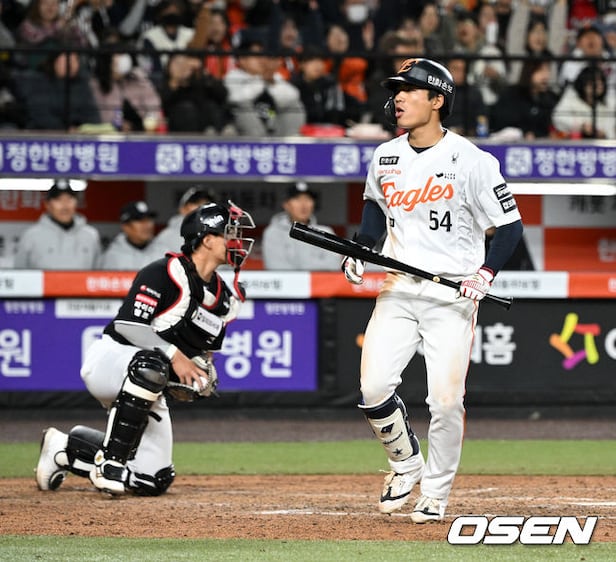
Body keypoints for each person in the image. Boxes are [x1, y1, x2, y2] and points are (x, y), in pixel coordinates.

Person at [341, 58, 523, 523]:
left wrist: (485, 273)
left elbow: (509, 226)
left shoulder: (473, 160)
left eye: (409, 90)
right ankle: (406, 464)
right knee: (373, 388)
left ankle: (436, 493)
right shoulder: (385, 155)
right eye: (396, 90)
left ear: (437, 100)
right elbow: (375, 210)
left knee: (445, 402)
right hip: (400, 286)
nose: (398, 98)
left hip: (452, 295)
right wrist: (361, 250)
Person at [34, 201, 256, 496]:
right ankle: (109, 465)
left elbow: (201, 355)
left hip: (149, 383)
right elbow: (128, 326)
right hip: (111, 361)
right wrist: (175, 357)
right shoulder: (165, 271)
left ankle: (63, 449)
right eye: (229, 233)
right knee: (152, 367)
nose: (237, 241)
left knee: (152, 479)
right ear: (206, 240)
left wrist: (201, 375)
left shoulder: (225, 300)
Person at [13, 180, 102, 269]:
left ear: (76, 203)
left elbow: (99, 272)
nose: (65, 205)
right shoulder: (31, 235)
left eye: (69, 199)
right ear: (47, 204)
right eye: (58, 200)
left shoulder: (91, 235)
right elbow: (19, 272)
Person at [263, 181, 340, 271]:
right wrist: (310, 270)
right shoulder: (273, 233)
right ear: (286, 205)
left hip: (320, 281)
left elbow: (334, 266)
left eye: (307, 199)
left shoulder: (326, 232)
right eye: (297, 199)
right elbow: (275, 266)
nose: (303, 204)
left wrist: (304, 271)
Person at [152, 185, 216, 253]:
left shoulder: (215, 234)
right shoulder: (167, 236)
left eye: (207, 203)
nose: (202, 207)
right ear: (182, 209)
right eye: (196, 203)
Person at [100, 201, 161, 270]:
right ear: (125, 227)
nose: (147, 225)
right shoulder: (111, 256)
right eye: (141, 221)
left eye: (149, 220)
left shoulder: (163, 252)